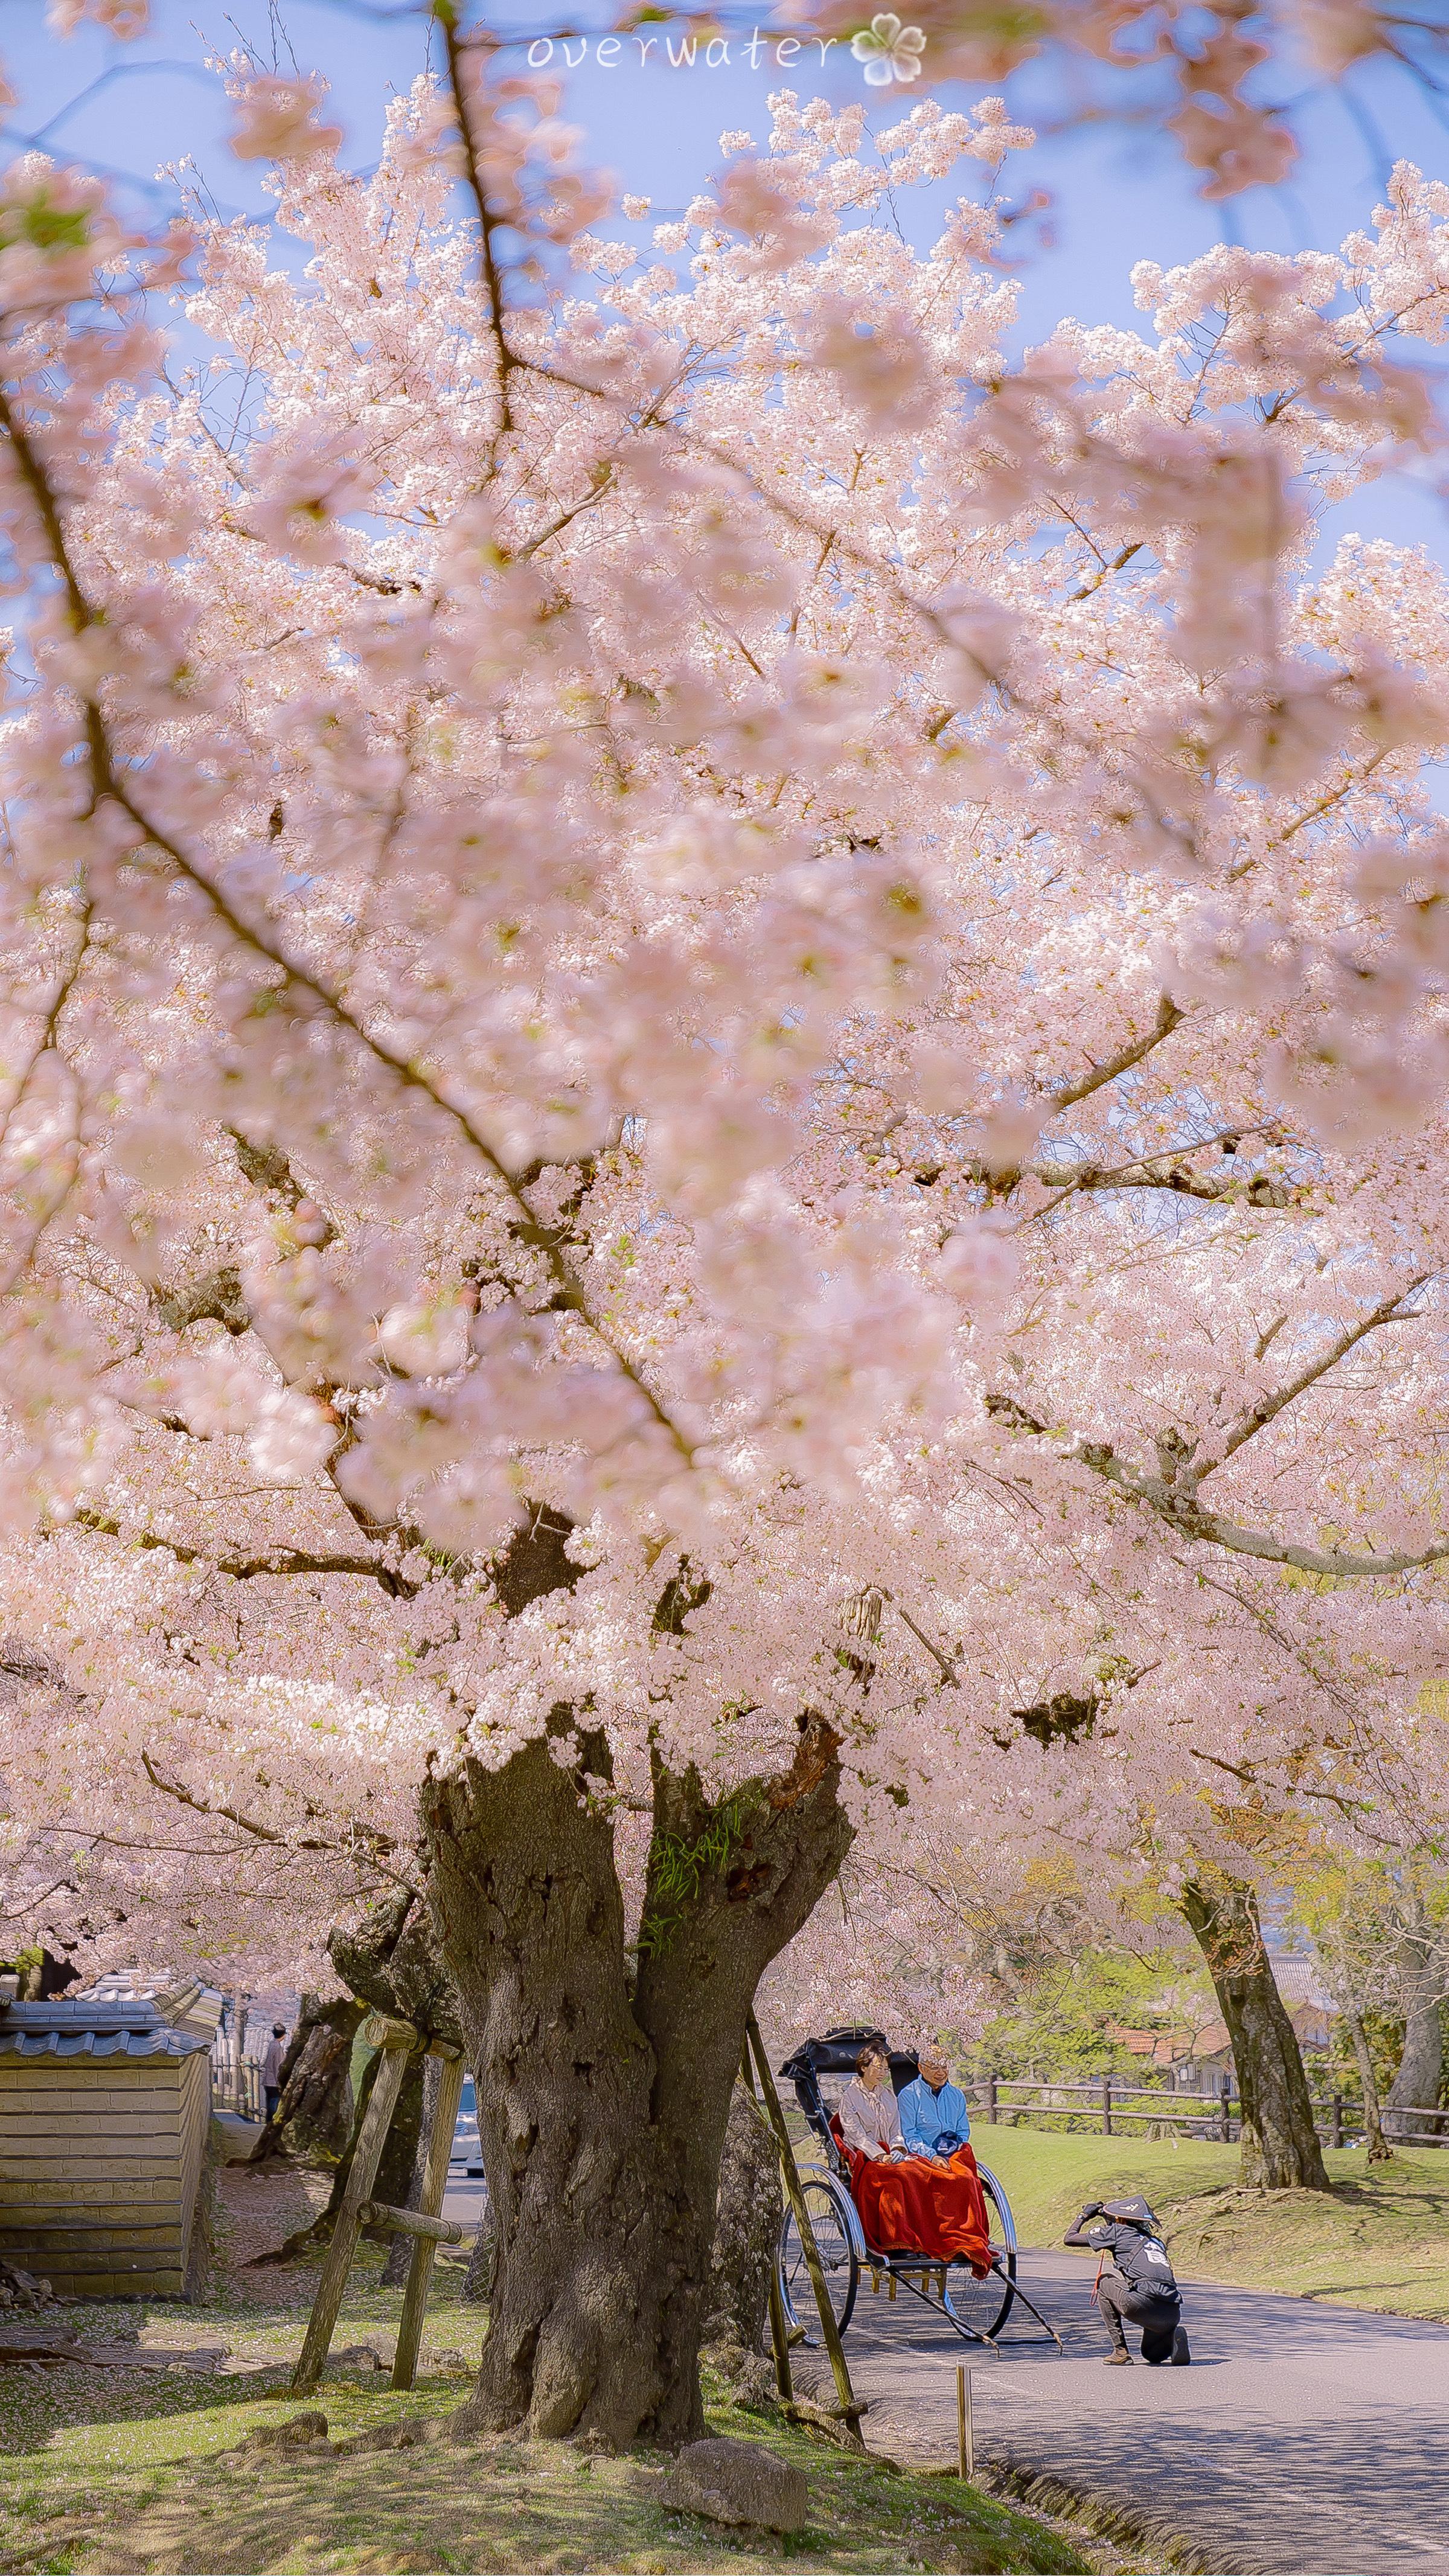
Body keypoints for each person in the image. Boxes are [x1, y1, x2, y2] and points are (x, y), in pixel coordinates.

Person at [1064, 2196, 1191, 2367]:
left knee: (1104, 2282)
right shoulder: (1156, 2241)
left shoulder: (1117, 2231)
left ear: (1121, 2220)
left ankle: (1120, 2351)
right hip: (1172, 2312)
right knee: (1151, 2355)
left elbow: (1070, 2239)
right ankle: (1173, 2335)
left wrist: (1084, 2216)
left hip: (1143, 2304)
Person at [837, 2040, 912, 2160]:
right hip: (863, 2153)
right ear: (863, 2067)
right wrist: (880, 2155)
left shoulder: (888, 2095)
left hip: (889, 2153)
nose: (882, 2073)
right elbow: (856, 2134)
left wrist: (897, 2149)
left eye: (885, 2069)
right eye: (878, 2068)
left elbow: (895, 2128)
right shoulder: (850, 2097)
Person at [898, 2044, 971, 2164]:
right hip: (923, 2158)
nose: (941, 2073)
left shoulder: (957, 2095)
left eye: (944, 2067)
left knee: (968, 2179)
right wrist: (932, 2156)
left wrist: (954, 2149)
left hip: (953, 2153)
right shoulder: (909, 2095)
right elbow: (910, 2136)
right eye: (934, 2068)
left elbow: (963, 2130)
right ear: (921, 2068)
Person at [261, 2022, 288, 2124]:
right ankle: (271, 2123)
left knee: (269, 2103)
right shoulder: (277, 2048)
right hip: (273, 2082)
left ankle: (268, 2123)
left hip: (268, 2080)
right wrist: (280, 2081)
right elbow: (277, 2066)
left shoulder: (272, 2045)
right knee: (274, 2104)